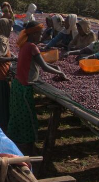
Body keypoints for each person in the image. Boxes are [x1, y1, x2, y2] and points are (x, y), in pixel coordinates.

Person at [7, 21, 69, 153]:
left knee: (17, 115)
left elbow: (40, 63)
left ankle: (15, 141)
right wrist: (60, 72)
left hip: (17, 84)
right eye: (40, 34)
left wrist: (56, 67)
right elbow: (45, 67)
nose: (41, 36)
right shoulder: (32, 47)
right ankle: (26, 148)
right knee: (27, 118)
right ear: (34, 34)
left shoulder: (25, 45)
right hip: (24, 87)